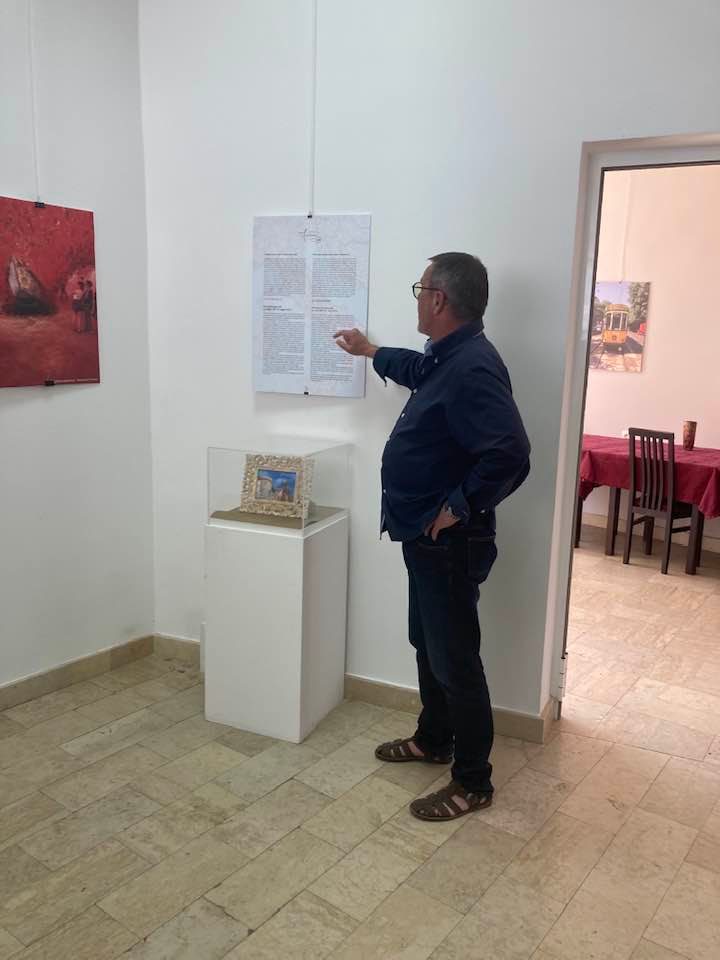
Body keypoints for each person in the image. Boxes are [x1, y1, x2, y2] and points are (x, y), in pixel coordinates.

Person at [334, 252, 530, 822]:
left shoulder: (472, 366)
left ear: (439, 299)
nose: (418, 298)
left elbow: (511, 453)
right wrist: (370, 351)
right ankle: (433, 739)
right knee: (427, 642)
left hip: (449, 543)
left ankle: (473, 782)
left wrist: (457, 507)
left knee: (455, 659)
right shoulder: (448, 356)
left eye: (421, 289)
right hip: (422, 537)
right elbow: (417, 370)